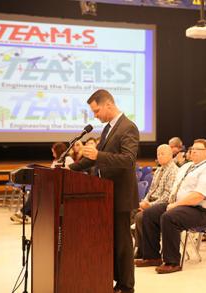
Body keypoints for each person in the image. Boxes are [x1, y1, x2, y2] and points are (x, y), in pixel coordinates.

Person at [69, 89, 139, 293]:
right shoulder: (108, 128)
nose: (95, 115)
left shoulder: (128, 127)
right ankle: (115, 281)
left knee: (123, 243)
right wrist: (69, 168)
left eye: (96, 110)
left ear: (108, 104)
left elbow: (128, 160)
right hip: (107, 194)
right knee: (113, 242)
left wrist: (98, 155)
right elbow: (94, 158)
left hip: (121, 195)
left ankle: (126, 287)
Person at [135, 139, 206, 274]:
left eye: (197, 149)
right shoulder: (187, 167)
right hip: (181, 206)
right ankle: (152, 256)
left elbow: (198, 196)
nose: (193, 151)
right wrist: (170, 203)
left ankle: (172, 262)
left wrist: (175, 204)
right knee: (149, 213)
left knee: (170, 217)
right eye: (192, 148)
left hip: (201, 211)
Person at [10, 142, 74, 223]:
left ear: (58, 151)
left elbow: (68, 174)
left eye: (53, 152)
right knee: (35, 188)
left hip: (62, 186)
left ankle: (23, 213)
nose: (53, 154)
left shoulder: (68, 159)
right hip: (53, 185)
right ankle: (25, 214)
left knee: (37, 191)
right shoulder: (57, 160)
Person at [134, 144, 178, 259]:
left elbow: (167, 196)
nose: (159, 156)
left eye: (162, 153)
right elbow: (151, 191)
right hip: (152, 202)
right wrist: (144, 201)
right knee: (131, 212)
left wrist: (149, 205)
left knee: (140, 217)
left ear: (171, 155)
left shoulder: (174, 171)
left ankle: (147, 252)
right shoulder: (158, 170)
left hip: (164, 204)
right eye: (158, 154)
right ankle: (140, 248)